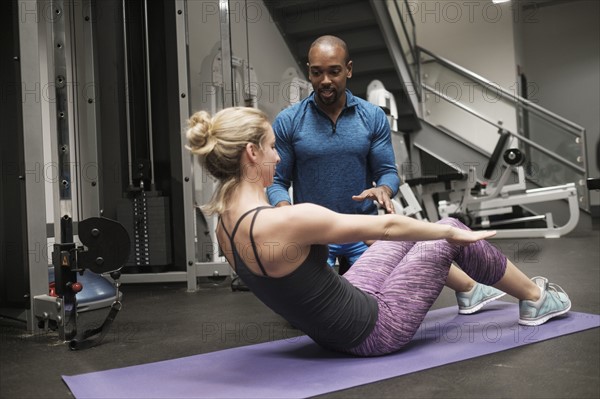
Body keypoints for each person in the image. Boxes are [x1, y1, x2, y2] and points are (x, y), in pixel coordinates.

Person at [186, 106, 571, 357]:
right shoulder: (285, 220)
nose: (278, 156)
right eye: (271, 148)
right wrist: (453, 237)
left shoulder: (224, 226)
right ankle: (536, 299)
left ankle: (471, 292)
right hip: (376, 330)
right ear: (251, 153)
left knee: (402, 240)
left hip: (335, 326)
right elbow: (386, 225)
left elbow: (306, 278)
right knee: (448, 228)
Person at [266, 34, 504, 313]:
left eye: (334, 71)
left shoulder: (372, 117)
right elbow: (277, 181)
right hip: (316, 236)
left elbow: (388, 173)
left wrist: (384, 189)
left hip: (364, 230)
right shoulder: (289, 121)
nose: (325, 81)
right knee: (310, 314)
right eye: (317, 73)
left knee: (379, 297)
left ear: (349, 69)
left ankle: (469, 289)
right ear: (309, 71)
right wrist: (284, 212)